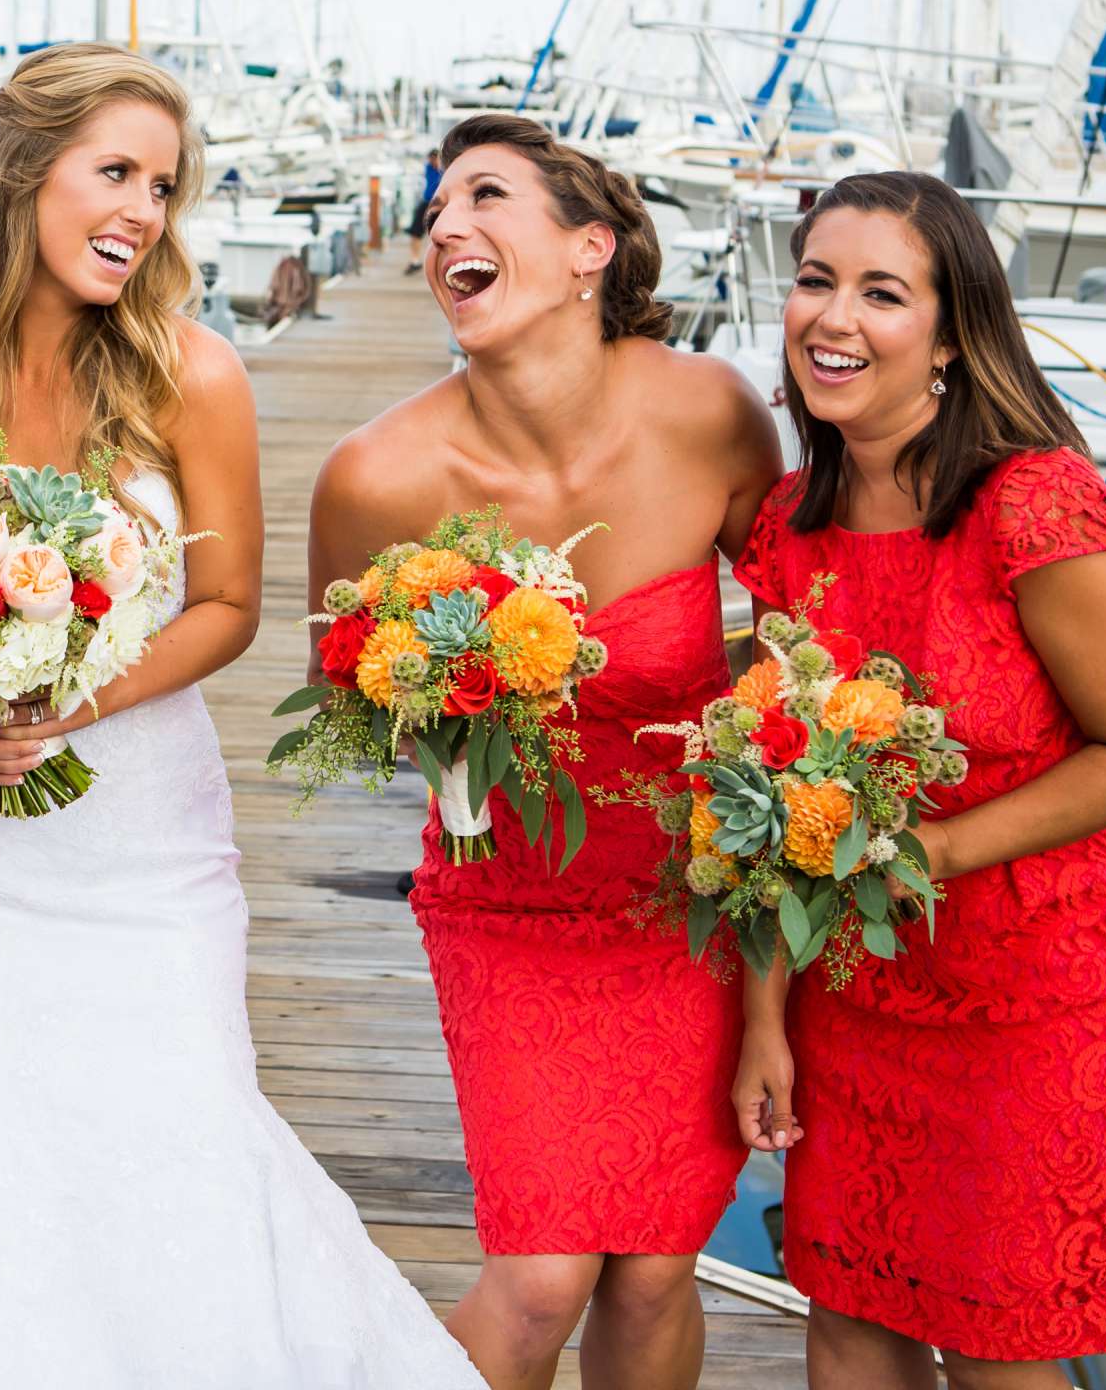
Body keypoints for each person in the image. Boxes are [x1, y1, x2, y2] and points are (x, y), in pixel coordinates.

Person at [0, 43, 484, 1388]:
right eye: (116, 172)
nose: (142, 209)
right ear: (26, 171)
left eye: (166, 187)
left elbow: (232, 603)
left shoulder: (192, 373)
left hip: (138, 848)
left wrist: (59, 701)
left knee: (171, 1125)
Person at [309, 112, 781, 1390]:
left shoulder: (714, 416)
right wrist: (446, 710)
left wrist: (750, 756)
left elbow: (797, 639)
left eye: (486, 197)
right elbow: (342, 685)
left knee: (654, 1263)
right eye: (435, 211)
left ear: (590, 249)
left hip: (688, 907)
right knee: (542, 1275)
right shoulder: (377, 473)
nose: (444, 226)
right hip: (510, 907)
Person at [728, 171, 1106, 1390]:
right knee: (849, 1310)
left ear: (950, 333)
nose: (834, 317)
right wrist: (764, 1021)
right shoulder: (791, 524)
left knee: (995, 1344)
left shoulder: (1033, 505)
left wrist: (928, 852)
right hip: (861, 983)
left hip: (1048, 980)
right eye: (817, 279)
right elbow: (777, 792)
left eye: (883, 292)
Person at [406, 148, 443, 274]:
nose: (432, 161)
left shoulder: (444, 169)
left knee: (439, 234)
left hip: (440, 204)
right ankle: (415, 261)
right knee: (415, 232)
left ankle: (439, 263)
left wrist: (440, 164)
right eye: (431, 159)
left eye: (434, 159)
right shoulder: (428, 167)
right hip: (427, 202)